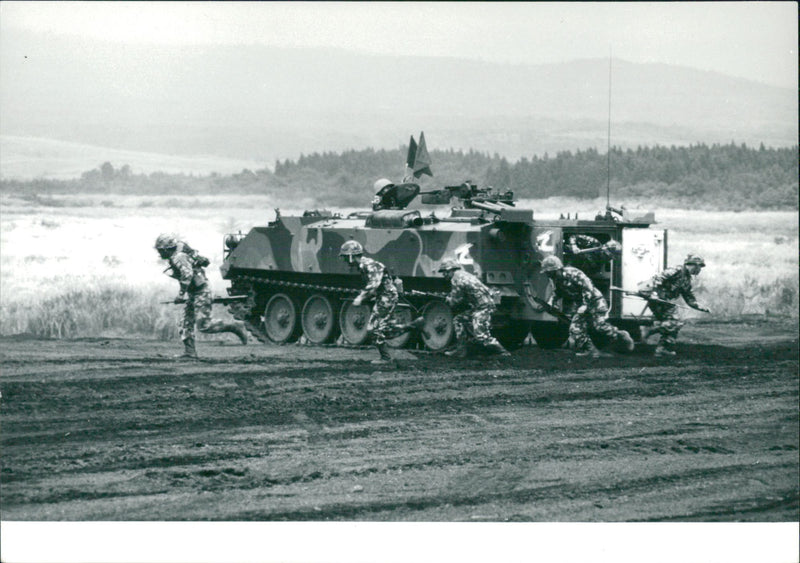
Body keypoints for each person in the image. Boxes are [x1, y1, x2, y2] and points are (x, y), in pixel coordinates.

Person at [155, 234, 247, 359]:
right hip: (195, 291)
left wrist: (181, 295)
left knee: (204, 325)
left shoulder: (179, 257)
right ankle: (190, 352)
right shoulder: (178, 254)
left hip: (202, 291)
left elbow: (187, 275)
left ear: (167, 249)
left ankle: (235, 326)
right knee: (185, 323)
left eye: (160, 250)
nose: (160, 253)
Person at [339, 240, 424, 365]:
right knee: (379, 329)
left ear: (352, 256)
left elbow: (374, 283)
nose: (345, 260)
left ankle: (386, 358)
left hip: (387, 297)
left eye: (346, 257)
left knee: (373, 329)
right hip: (384, 297)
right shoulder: (364, 266)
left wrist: (361, 297)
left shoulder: (369, 265)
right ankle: (412, 326)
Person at [539, 255, 634, 358]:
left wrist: (584, 306)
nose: (548, 275)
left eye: (549, 272)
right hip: (581, 305)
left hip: (595, 302)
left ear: (556, 269)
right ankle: (591, 350)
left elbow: (588, 288)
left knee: (600, 327)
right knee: (575, 328)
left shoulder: (574, 273)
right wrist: (550, 303)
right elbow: (557, 293)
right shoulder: (557, 279)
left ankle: (620, 335)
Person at [640, 254, 710, 357]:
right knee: (674, 321)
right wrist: (654, 293)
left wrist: (700, 307)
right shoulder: (676, 270)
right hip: (657, 298)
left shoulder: (686, 280)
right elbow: (657, 279)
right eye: (697, 266)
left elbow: (689, 298)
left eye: (699, 267)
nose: (698, 269)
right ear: (689, 265)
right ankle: (655, 338)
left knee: (674, 322)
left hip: (664, 300)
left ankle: (661, 344)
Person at [437, 259, 511, 358]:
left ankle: (503, 353)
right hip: (481, 306)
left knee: (481, 335)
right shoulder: (464, 274)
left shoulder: (456, 279)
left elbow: (455, 302)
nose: (444, 275)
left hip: (484, 307)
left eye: (444, 272)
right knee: (459, 320)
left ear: (450, 270)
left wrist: (448, 299)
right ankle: (461, 349)